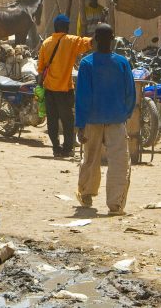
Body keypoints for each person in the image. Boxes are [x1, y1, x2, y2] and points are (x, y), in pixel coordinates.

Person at [75, 24, 135, 215]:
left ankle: (86, 193)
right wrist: (125, 113)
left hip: (92, 120)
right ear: (113, 39)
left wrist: (80, 124)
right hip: (116, 120)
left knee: (90, 158)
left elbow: (82, 96)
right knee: (119, 163)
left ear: (94, 39)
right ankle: (115, 204)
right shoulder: (122, 62)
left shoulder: (86, 63)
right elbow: (130, 93)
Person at [37, 14, 92, 158]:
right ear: (67, 27)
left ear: (55, 27)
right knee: (68, 121)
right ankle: (67, 149)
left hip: (49, 89)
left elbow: (40, 68)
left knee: (52, 121)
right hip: (65, 89)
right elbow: (90, 43)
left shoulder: (46, 43)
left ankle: (56, 148)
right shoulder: (71, 41)